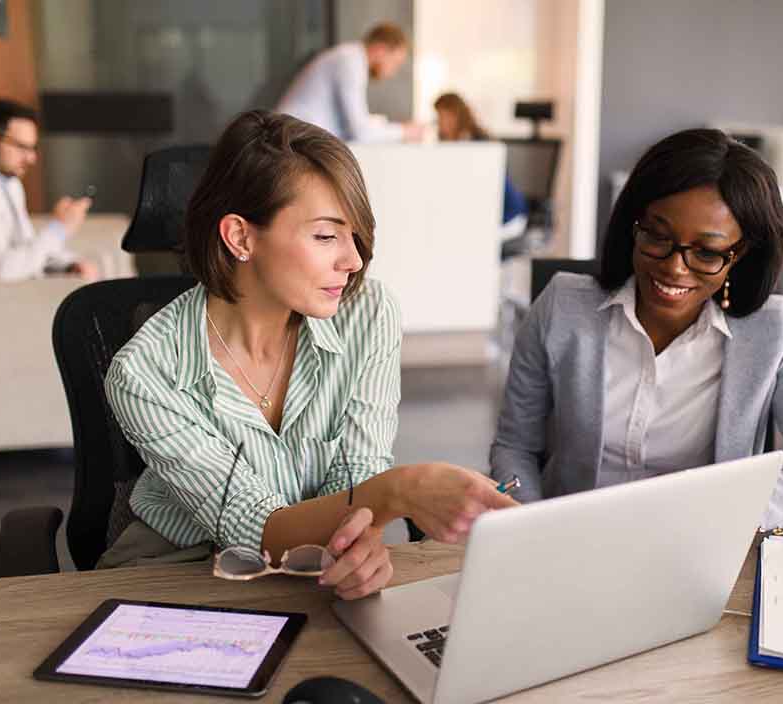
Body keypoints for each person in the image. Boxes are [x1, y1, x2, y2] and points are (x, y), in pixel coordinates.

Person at [102, 111, 516, 598]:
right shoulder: (145, 372)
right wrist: (402, 491)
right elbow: (250, 528)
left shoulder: (368, 313)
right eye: (325, 236)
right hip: (176, 572)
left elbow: (360, 472)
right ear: (240, 237)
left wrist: (360, 541)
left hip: (312, 562)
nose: (353, 260)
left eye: (354, 234)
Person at [489, 128, 783, 530]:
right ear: (634, 224)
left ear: (741, 255)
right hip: (568, 543)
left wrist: (706, 509)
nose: (674, 267)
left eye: (706, 252)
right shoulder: (562, 307)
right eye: (657, 235)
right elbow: (516, 448)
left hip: (699, 549)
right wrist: (528, 528)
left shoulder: (775, 333)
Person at [0, 98, 98, 281]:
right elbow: (1, 272)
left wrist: (69, 265)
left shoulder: (9, 182)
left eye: (33, 148)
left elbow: (26, 248)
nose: (31, 159)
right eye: (22, 147)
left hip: (18, 293)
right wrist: (59, 228)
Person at [276, 23, 423, 143]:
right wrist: (404, 132)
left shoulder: (350, 57)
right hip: (292, 141)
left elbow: (354, 126)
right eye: (395, 63)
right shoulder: (350, 62)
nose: (392, 72)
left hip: (296, 137)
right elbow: (361, 132)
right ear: (380, 49)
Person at [433, 92, 528, 238]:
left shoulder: (478, 145)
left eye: (441, 116)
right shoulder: (451, 146)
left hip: (507, 216)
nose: (438, 123)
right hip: (486, 215)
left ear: (454, 115)